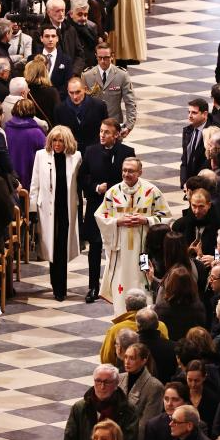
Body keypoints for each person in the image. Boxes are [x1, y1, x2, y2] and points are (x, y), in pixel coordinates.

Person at [95, 157, 170, 314]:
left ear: (140, 172)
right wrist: (117, 221)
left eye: (131, 171)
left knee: (144, 280)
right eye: (124, 170)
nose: (126, 174)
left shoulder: (152, 191)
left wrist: (146, 220)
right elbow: (100, 216)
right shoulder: (113, 192)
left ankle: (145, 317)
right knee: (120, 283)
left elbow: (166, 217)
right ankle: (122, 316)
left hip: (143, 250)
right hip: (121, 251)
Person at [80, 119, 136, 303]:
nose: (102, 135)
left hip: (120, 207)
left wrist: (113, 189)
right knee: (95, 247)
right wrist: (96, 188)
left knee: (120, 247)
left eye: (106, 132)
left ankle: (119, 285)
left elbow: (131, 178)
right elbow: (83, 177)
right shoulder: (91, 151)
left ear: (116, 135)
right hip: (97, 206)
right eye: (101, 131)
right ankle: (93, 286)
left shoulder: (127, 152)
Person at [29, 126, 83, 301]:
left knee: (62, 248)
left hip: (66, 208)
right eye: (54, 140)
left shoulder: (76, 157)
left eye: (60, 141)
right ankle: (56, 285)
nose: (57, 144)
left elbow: (79, 185)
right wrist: (32, 209)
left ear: (67, 142)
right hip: (47, 210)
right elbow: (34, 184)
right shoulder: (41, 155)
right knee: (52, 248)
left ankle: (61, 287)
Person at [62, 364, 138, 440]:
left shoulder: (128, 409)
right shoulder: (79, 408)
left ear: (116, 384)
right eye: (98, 381)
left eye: (107, 382)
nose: (102, 387)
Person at [82, 43, 138, 135]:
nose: (103, 61)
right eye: (100, 58)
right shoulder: (87, 75)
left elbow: (130, 102)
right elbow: (82, 103)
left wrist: (129, 126)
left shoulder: (122, 75)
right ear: (96, 56)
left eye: (106, 58)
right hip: (94, 125)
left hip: (114, 126)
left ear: (112, 56)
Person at [117, 343, 163, 424]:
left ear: (143, 361)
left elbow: (147, 422)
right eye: (126, 357)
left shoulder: (155, 387)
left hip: (136, 431)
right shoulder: (119, 378)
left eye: (132, 358)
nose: (127, 362)